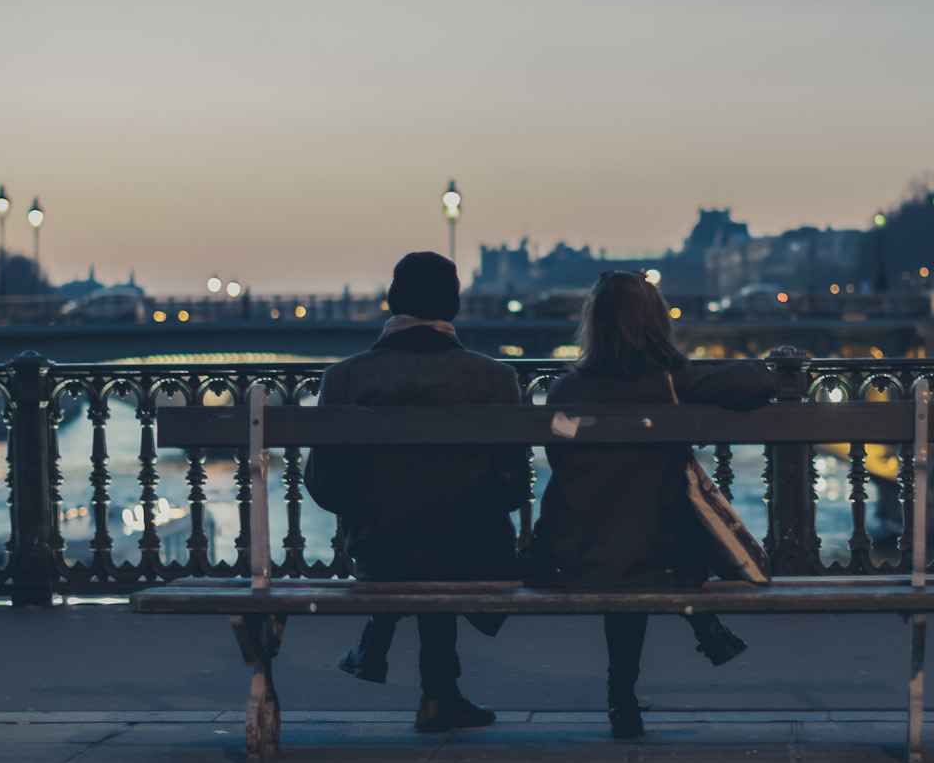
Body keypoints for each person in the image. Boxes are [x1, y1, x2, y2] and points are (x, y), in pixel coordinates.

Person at [530, 271, 775, 738]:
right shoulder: (672, 383)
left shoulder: (565, 393)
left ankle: (623, 695)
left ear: (594, 323)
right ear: (654, 322)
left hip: (579, 552)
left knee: (625, 533)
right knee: (658, 517)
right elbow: (755, 383)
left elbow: (560, 457)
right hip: (658, 554)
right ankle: (699, 626)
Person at [305, 251, 527, 733]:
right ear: (454, 305)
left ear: (391, 301)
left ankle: (414, 674)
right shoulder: (496, 378)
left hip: (380, 553)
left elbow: (326, 487)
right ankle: (438, 694)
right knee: (447, 530)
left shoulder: (343, 377)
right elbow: (512, 490)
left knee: (412, 532)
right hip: (470, 555)